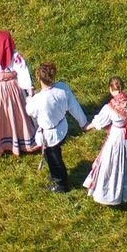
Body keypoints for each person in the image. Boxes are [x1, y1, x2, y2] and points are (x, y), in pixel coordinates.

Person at [84, 77, 127, 206]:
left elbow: (100, 121)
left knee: (112, 163)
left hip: (117, 138)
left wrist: (87, 126)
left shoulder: (110, 106)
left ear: (111, 89)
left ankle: (111, 194)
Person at [26, 62, 89, 192]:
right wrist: (83, 123)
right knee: (56, 155)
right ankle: (57, 177)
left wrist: (30, 98)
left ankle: (61, 184)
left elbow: (29, 111)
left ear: (38, 78)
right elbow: (74, 107)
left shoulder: (38, 100)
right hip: (62, 128)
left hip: (49, 136)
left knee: (54, 161)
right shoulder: (62, 88)